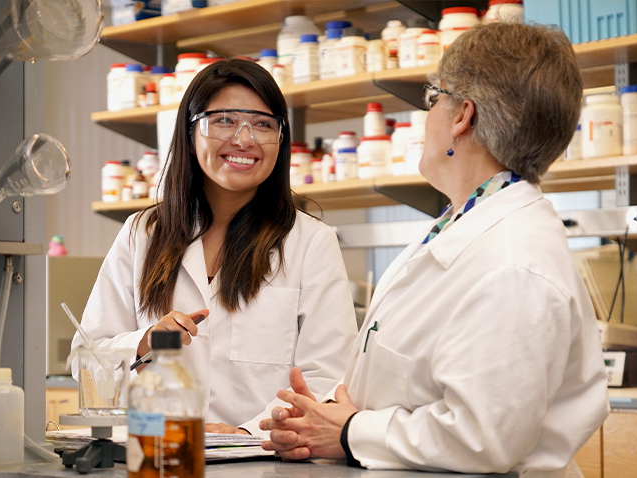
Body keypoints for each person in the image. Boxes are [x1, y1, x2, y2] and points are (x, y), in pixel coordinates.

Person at [260, 23, 609, 476]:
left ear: (462, 116)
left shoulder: (512, 263)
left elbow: (481, 437)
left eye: (433, 98)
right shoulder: (460, 229)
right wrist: (333, 417)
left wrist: (351, 431)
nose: (427, 117)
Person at [71, 59, 358, 435]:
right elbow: (85, 360)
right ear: (190, 134)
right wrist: (143, 342)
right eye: (223, 120)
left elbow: (326, 375)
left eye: (263, 124)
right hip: (159, 454)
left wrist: (246, 434)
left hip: (263, 461)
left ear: (281, 139)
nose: (244, 139)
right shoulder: (142, 233)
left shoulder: (310, 243)